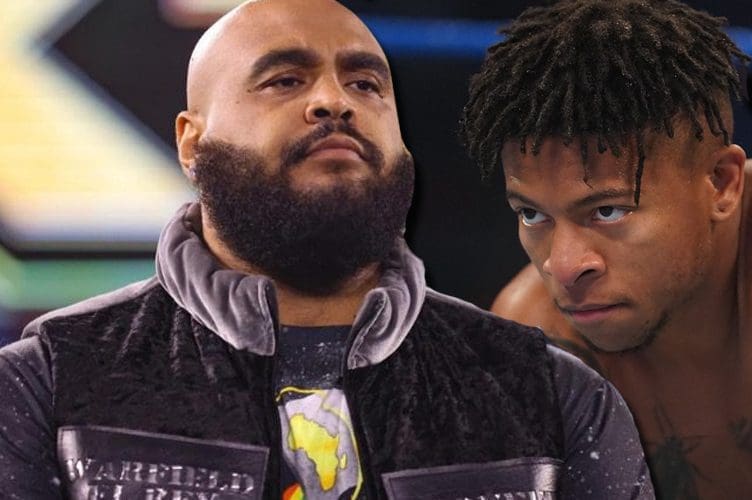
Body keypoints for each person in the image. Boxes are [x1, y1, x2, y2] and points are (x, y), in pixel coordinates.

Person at [0, 1, 653, 499]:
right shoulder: (45, 386)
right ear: (192, 142)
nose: (333, 102)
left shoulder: (553, 394)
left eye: (365, 85)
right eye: (285, 80)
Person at [460, 0, 752, 498]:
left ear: (720, 183)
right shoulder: (536, 336)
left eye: (608, 210)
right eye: (532, 214)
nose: (563, 266)